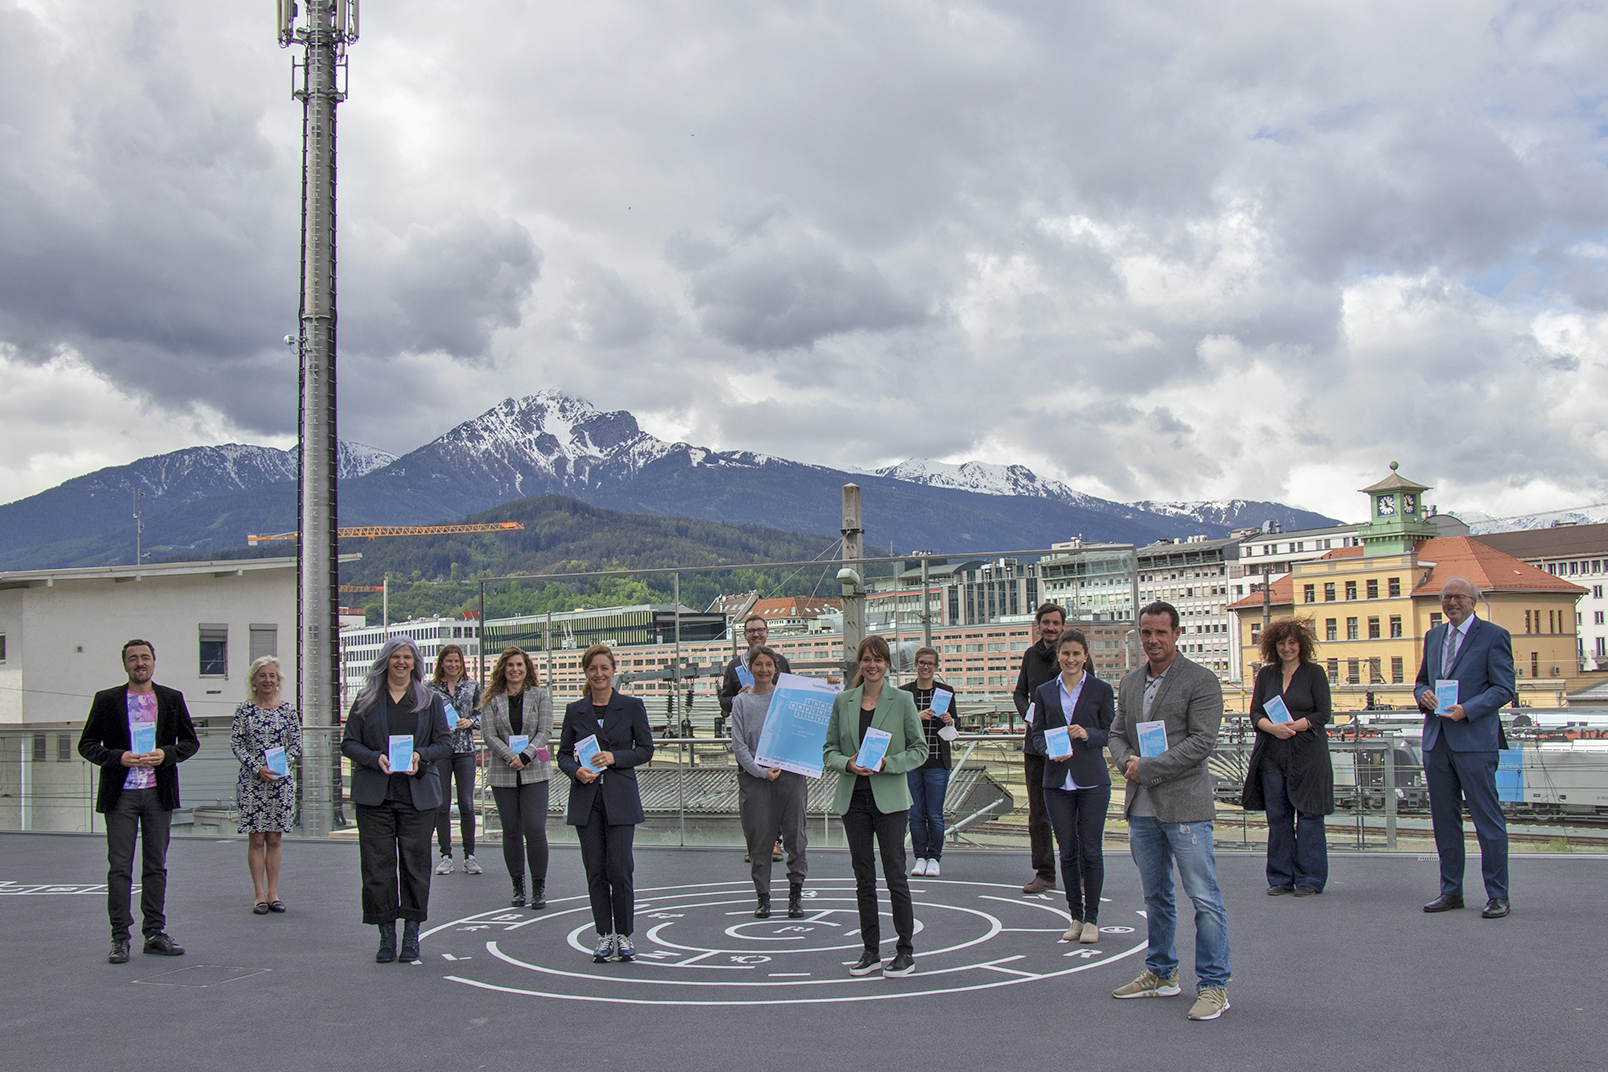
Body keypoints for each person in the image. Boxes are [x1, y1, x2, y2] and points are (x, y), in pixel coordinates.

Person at [1108, 601, 1232, 1021]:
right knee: (1156, 895)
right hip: (1141, 807)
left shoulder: (1201, 680)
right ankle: (1161, 973)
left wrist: (1148, 768)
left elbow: (1202, 743)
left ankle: (1214, 986)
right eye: (1146, 632)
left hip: (1185, 807)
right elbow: (1116, 732)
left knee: (1204, 897)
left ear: (1176, 633)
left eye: (1161, 632)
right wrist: (1127, 761)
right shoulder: (1129, 682)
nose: (1153, 640)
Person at [78, 639, 200, 964]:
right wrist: (119, 758)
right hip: (121, 795)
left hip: (158, 793)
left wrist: (166, 754)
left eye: (145, 657)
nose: (139, 663)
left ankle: (155, 933)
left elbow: (190, 742)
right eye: (133, 659)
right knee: (119, 867)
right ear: (125, 664)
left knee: (155, 866)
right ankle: (120, 938)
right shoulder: (107, 700)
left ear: (154, 662)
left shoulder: (171, 699)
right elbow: (86, 745)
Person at [341, 636, 455, 963]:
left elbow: (444, 744)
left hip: (417, 795)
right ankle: (386, 934)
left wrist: (421, 755)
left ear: (415, 663)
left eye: (407, 657)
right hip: (375, 796)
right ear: (385, 661)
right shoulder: (366, 699)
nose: (401, 662)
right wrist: (374, 757)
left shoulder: (430, 701)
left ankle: (412, 935)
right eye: (396, 657)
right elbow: (349, 743)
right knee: (378, 868)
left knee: (415, 865)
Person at [823, 635, 927, 978]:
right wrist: (847, 764)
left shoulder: (903, 700)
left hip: (890, 799)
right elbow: (829, 751)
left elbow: (919, 750)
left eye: (878, 660)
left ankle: (905, 951)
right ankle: (870, 951)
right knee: (863, 876)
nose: (872, 665)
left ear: (887, 665)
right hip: (854, 798)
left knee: (895, 873)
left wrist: (887, 764)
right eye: (867, 659)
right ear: (860, 662)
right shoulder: (844, 701)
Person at [1413, 576, 1516, 919]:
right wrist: (1423, 695)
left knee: (1487, 820)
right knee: (1444, 821)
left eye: (1458, 597)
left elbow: (1503, 688)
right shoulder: (1434, 636)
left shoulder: (1493, 636)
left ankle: (1498, 895)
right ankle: (1450, 891)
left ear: (1473, 601)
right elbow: (1422, 682)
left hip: (1473, 740)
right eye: (1446, 597)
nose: (1451, 602)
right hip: (1437, 740)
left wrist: (1468, 709)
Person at [558, 644, 655, 963]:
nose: (598, 674)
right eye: (592, 669)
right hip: (587, 800)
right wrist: (576, 771)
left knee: (620, 869)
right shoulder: (576, 710)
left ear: (613, 670)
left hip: (620, 797)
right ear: (585, 673)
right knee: (595, 871)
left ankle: (625, 934)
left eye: (604, 668)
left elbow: (645, 749)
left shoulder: (631, 706)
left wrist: (615, 757)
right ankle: (603, 935)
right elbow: (562, 755)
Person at [1031, 630, 1115, 944]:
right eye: (1065, 654)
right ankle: (1075, 917)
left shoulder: (1101, 689)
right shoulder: (1044, 692)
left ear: (1085, 656)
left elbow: (1110, 732)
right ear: (1059, 656)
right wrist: (1048, 748)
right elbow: (1037, 735)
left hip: (1092, 780)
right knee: (1067, 852)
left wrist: (1087, 734)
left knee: (1091, 850)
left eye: (1077, 654)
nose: (1070, 659)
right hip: (1056, 780)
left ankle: (1092, 918)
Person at [1239, 618, 1334, 897]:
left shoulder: (1314, 673)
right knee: (1278, 818)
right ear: (1273, 646)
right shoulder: (1266, 675)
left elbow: (1323, 714)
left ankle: (1310, 879)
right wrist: (1272, 728)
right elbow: (1255, 712)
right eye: (1281, 642)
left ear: (1301, 645)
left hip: (1308, 756)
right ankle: (1280, 878)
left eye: (1292, 642)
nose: (1286, 647)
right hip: (1272, 754)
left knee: (1309, 816)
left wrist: (1294, 726)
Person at [729, 645, 809, 919]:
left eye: (768, 664)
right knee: (758, 841)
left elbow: (813, 719)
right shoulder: (740, 702)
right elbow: (738, 745)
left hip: (790, 777)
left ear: (776, 667)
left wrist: (831, 685)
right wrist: (759, 771)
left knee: (795, 837)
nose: (764, 670)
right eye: (758, 664)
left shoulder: (789, 696)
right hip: (756, 780)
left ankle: (795, 895)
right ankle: (763, 897)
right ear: (750, 668)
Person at [481, 646, 555, 909]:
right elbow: (488, 735)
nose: (515, 669)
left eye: (519, 665)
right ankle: (517, 885)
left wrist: (526, 755)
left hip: (534, 770)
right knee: (511, 831)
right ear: (503, 668)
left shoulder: (540, 696)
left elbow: (545, 730)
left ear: (527, 669)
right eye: (510, 665)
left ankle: (538, 886)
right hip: (503, 772)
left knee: (534, 829)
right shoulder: (491, 698)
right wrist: (510, 756)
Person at [231, 655, 302, 914]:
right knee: (256, 838)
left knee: (274, 838)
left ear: (278, 680)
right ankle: (259, 895)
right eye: (262, 676)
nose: (267, 680)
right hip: (253, 782)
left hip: (280, 782)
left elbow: (296, 744)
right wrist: (255, 767)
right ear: (254, 680)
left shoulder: (288, 710)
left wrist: (284, 765)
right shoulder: (244, 710)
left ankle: (273, 893)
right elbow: (236, 744)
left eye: (272, 675)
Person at [1013, 602, 1065, 894]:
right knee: (1038, 814)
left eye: (1056, 623)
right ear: (1039, 625)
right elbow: (1020, 691)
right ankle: (1044, 873)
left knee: (1072, 809)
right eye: (1046, 623)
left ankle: (1078, 870)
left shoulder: (1073, 652)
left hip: (1066, 743)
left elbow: (1089, 688)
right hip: (1035, 745)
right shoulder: (1031, 655)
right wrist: (1028, 712)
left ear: (1062, 626)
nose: (1050, 628)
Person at [899, 646, 958, 877]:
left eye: (930, 664)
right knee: (915, 814)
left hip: (937, 761)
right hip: (912, 761)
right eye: (921, 663)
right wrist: (916, 716)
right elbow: (896, 726)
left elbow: (956, 727)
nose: (925, 667)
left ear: (936, 667)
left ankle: (935, 857)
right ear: (915, 665)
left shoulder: (946, 691)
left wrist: (950, 720)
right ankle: (919, 857)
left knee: (934, 813)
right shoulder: (904, 693)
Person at [429, 644, 483, 877]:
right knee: (441, 805)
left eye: (457, 661)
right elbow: (424, 718)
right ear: (441, 663)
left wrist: (470, 722)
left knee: (466, 804)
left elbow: (483, 714)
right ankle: (445, 855)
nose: (453, 665)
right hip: (440, 751)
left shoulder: (472, 686)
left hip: (465, 750)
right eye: (449, 661)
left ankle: (469, 856)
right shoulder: (430, 689)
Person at [718, 614, 793, 718]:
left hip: (776, 722)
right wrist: (738, 699)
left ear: (767, 632)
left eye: (760, 630)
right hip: (747, 723)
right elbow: (724, 702)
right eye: (751, 631)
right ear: (745, 634)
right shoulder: (734, 665)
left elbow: (791, 694)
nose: (756, 634)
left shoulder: (781, 662)